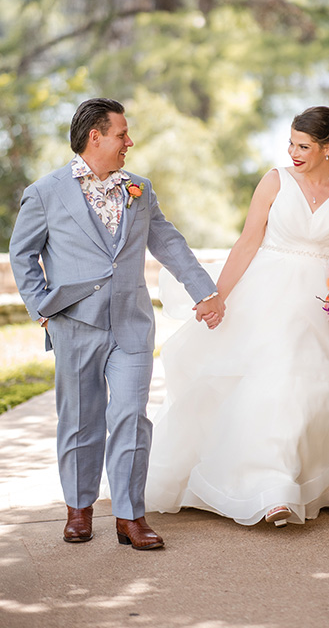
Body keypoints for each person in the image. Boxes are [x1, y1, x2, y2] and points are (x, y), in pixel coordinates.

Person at [145, 106, 329, 527]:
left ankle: (298, 478)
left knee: (316, 394)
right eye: (291, 143)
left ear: (328, 148)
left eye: (304, 146)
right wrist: (218, 297)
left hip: (322, 304)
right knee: (271, 384)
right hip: (267, 296)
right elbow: (247, 242)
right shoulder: (275, 180)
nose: (293, 152)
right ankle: (272, 488)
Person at [9, 98, 225, 549]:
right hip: (73, 324)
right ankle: (79, 509)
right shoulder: (45, 192)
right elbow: (22, 254)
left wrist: (204, 292)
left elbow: (169, 243)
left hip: (131, 325)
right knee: (80, 419)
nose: (130, 142)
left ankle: (130, 516)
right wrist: (43, 311)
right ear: (96, 137)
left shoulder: (139, 189)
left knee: (131, 416)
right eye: (122, 134)